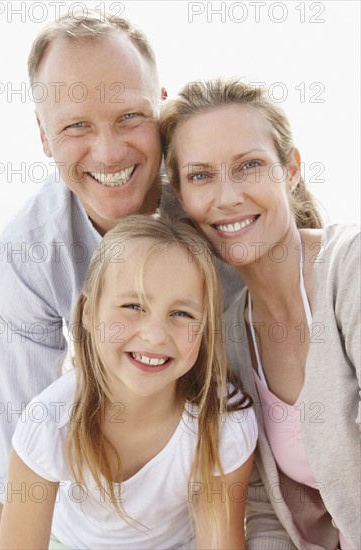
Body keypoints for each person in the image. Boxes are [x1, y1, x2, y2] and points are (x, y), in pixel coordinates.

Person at [0, 12, 244, 525]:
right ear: (43, 136)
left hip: (234, 479)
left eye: (129, 117)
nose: (108, 152)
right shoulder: (29, 255)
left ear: (161, 108)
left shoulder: (222, 204)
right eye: (77, 125)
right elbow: (18, 461)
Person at [159, 78, 360, 549]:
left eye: (248, 166)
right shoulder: (228, 339)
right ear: (182, 199)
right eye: (201, 175)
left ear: (290, 170)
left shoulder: (349, 270)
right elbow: (270, 512)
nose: (227, 197)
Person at [0, 214, 257, 549]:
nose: (154, 335)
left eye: (182, 314)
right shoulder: (48, 424)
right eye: (133, 305)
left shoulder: (223, 423)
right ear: (89, 313)